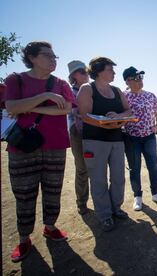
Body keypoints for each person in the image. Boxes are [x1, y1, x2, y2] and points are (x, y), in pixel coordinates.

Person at [4, 41, 75, 262]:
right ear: (32, 57)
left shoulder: (60, 83)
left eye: (55, 56)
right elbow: (11, 107)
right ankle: (24, 239)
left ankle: (49, 226)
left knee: (53, 189)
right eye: (47, 55)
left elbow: (65, 109)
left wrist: (30, 107)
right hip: (22, 146)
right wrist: (45, 98)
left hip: (55, 144)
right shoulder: (15, 79)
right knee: (24, 193)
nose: (53, 59)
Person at [77, 57, 132, 232]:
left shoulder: (117, 91)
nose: (114, 72)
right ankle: (105, 215)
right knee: (98, 179)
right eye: (110, 69)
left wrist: (118, 117)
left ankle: (116, 208)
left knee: (118, 178)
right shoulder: (87, 89)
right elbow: (84, 115)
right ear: (99, 71)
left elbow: (129, 110)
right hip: (94, 141)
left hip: (116, 140)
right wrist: (105, 123)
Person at [122, 66, 157, 211]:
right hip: (131, 137)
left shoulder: (150, 95)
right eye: (136, 78)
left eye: (141, 77)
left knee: (153, 166)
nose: (140, 81)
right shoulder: (123, 97)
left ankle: (155, 193)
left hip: (149, 136)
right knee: (134, 168)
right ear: (127, 81)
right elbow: (120, 115)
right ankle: (138, 197)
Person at [67, 60, 90, 215]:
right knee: (82, 169)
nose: (86, 74)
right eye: (82, 72)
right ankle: (81, 202)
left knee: (97, 168)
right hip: (77, 134)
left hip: (94, 132)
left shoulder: (92, 90)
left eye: (86, 71)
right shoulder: (67, 92)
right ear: (73, 76)